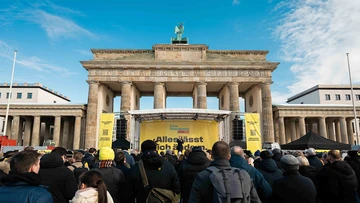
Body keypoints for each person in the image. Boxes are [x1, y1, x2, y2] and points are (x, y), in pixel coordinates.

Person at [189, 141, 261, 203]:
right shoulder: (244, 175)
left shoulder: (203, 176)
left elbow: (194, 200)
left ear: (212, 156)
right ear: (229, 156)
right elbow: (255, 200)